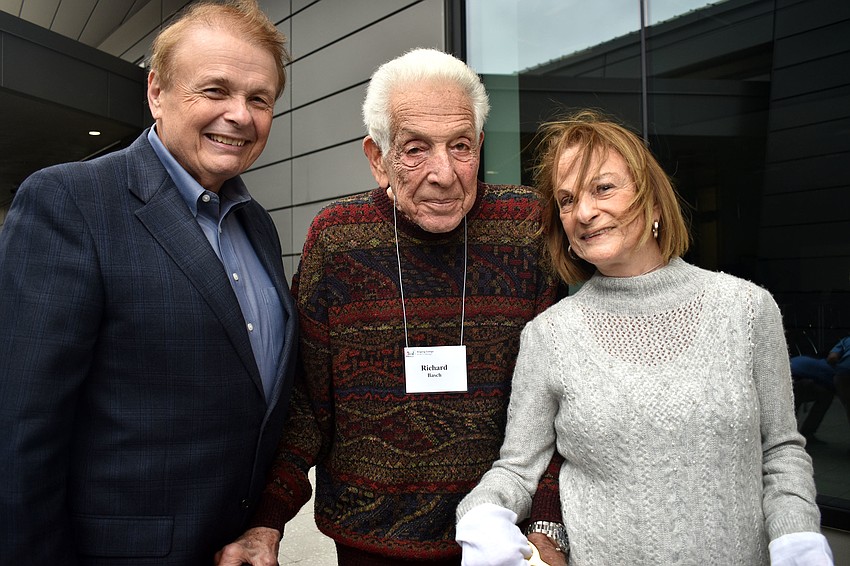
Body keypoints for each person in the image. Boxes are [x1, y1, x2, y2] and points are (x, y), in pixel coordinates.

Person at [216, 48, 566, 566]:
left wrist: (546, 522)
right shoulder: (338, 239)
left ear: (479, 145)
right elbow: (306, 401)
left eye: (460, 146)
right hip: (368, 539)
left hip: (501, 537)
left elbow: (560, 397)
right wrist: (267, 518)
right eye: (415, 149)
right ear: (377, 157)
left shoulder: (524, 226)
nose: (444, 173)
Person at [455, 109, 834, 565]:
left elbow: (781, 451)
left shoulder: (747, 310)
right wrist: (482, 516)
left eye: (603, 188)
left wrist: (797, 539)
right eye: (567, 200)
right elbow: (517, 471)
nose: (585, 212)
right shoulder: (549, 335)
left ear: (652, 202)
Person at [0, 1, 298, 563]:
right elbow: (20, 435)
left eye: (259, 99)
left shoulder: (255, 222)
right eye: (215, 90)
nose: (240, 115)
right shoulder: (70, 202)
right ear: (157, 92)